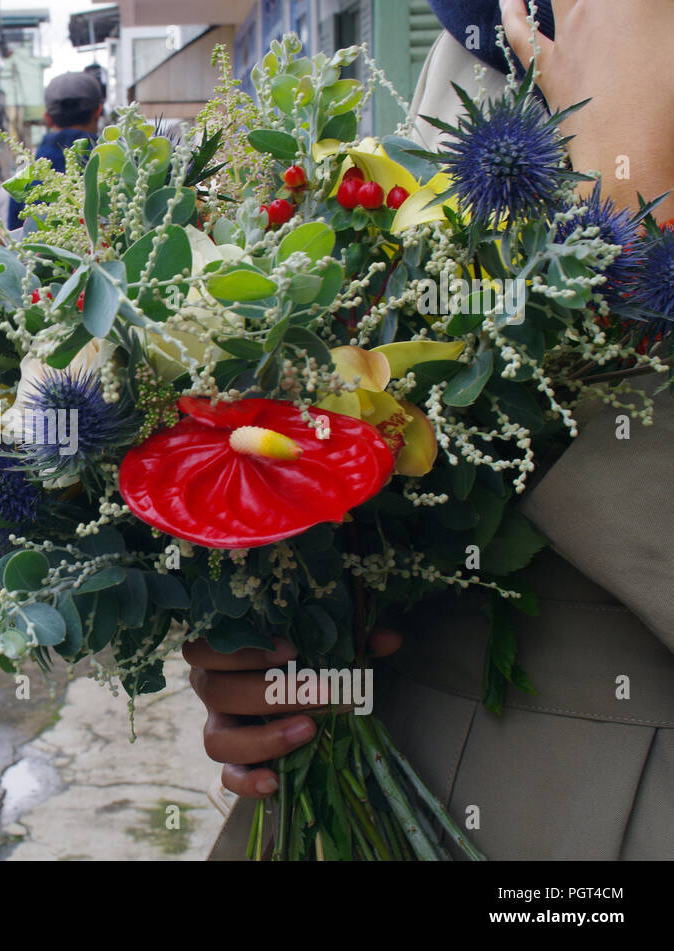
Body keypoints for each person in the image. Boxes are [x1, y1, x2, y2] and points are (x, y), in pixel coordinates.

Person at [192, 0, 674, 861]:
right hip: (390, 775)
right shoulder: (481, 31)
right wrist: (287, 617)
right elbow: (405, 448)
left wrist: (624, 240)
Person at [6, 71, 105, 231]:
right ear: (98, 111)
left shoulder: (22, 179)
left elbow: (15, 241)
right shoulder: (120, 165)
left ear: (48, 118)